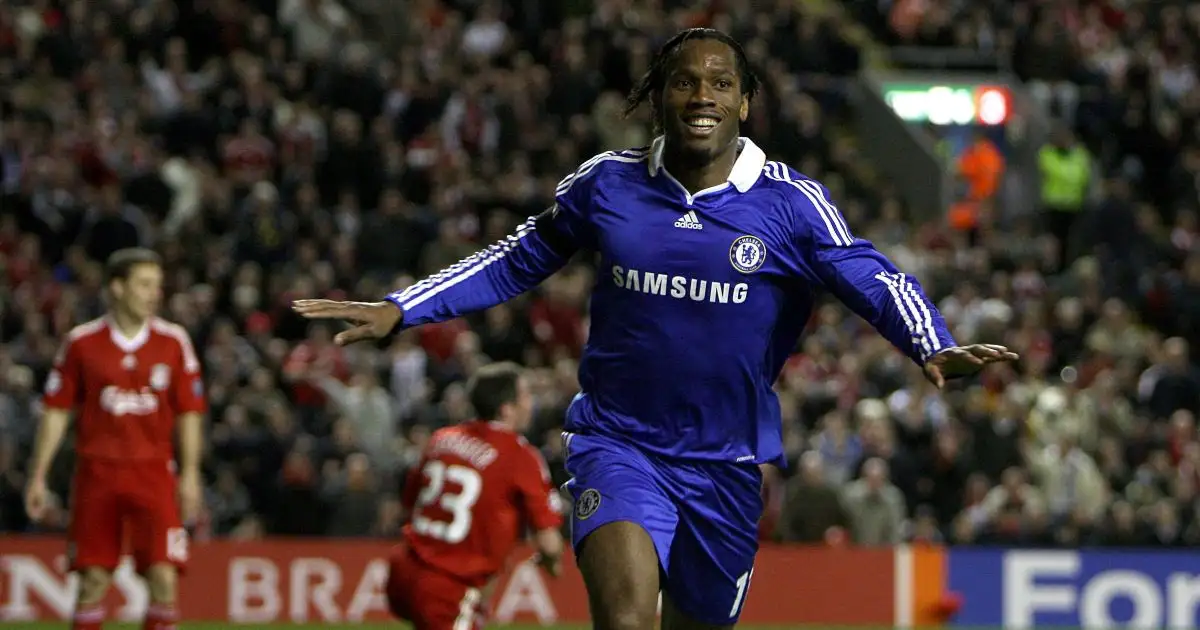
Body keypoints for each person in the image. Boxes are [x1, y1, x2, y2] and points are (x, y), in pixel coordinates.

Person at [294, 28, 1018, 630]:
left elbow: (869, 273)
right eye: (683, 80)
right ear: (659, 96)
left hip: (726, 466)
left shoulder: (792, 204)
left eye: (719, 82)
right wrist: (403, 306)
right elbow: (517, 258)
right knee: (627, 620)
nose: (701, 94)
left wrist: (930, 340)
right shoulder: (608, 183)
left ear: (744, 101)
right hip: (617, 443)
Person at [25, 248, 206, 630]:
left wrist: (190, 473)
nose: (154, 293)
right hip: (97, 475)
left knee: (163, 577)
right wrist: (39, 474)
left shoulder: (174, 342)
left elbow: (190, 412)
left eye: (157, 285)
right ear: (117, 288)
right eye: (144, 284)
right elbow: (57, 409)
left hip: (155, 475)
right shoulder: (82, 343)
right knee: (92, 582)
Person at [386, 361, 565, 630]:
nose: (532, 402)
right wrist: (553, 563)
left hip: (403, 568)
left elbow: (409, 504)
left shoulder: (441, 438)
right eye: (526, 395)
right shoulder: (520, 456)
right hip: (449, 586)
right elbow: (549, 542)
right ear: (507, 409)